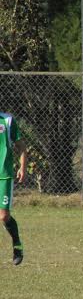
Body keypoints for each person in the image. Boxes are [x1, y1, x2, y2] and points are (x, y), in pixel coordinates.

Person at [0, 112, 27, 265]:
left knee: (3, 216)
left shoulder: (7, 121)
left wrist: (22, 167)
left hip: (4, 175)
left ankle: (17, 245)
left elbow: (21, 146)